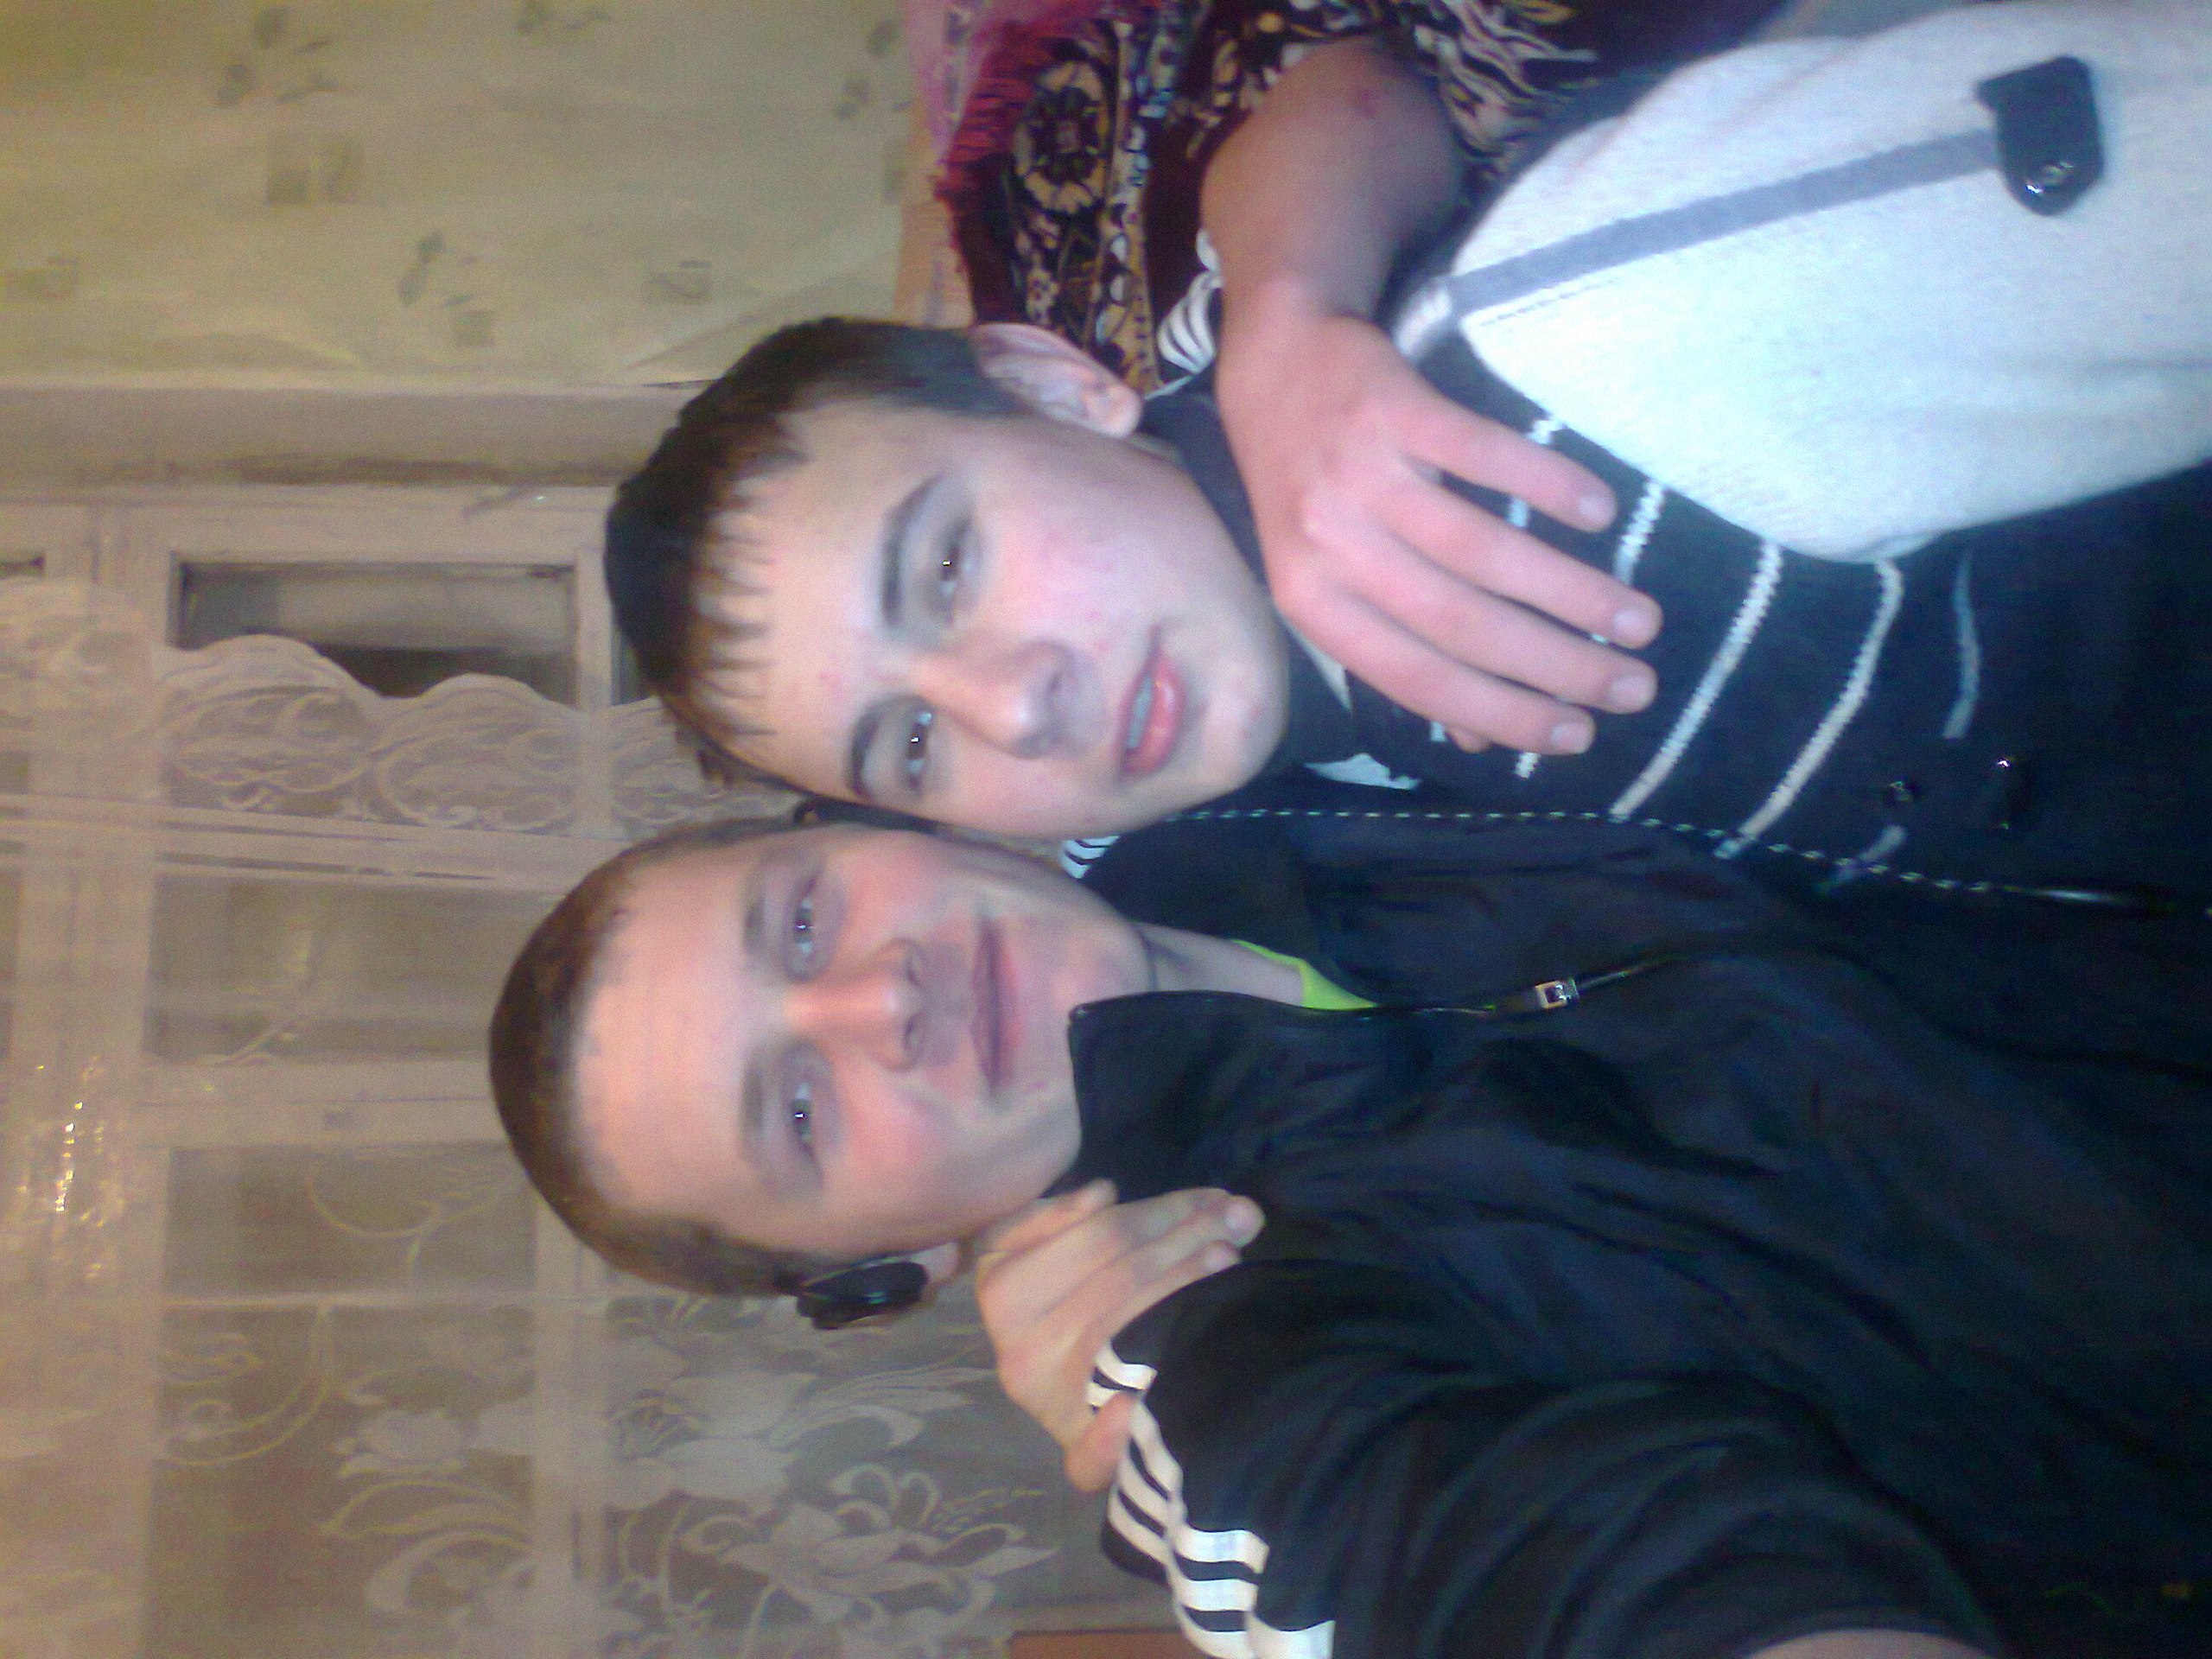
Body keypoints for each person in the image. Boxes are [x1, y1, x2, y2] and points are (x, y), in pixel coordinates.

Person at [487, 810, 2212, 1659]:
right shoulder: (1223, 1355)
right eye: (798, 1110)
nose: (883, 998)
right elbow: (1495, 1557)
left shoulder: (1228, 761)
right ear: (892, 1275)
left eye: (801, 921)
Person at [604, 0, 2212, 904]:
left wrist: (1292, 308)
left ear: (1051, 379)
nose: (1012, 708)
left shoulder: (1597, 349)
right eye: (909, 746)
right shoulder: (1246, 841)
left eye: (948, 566)